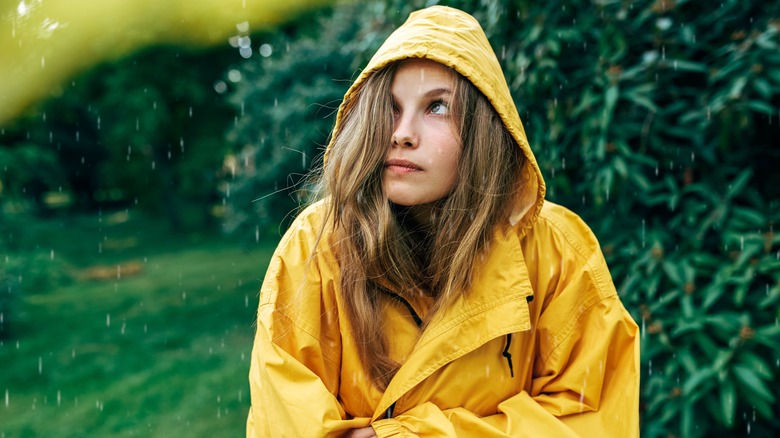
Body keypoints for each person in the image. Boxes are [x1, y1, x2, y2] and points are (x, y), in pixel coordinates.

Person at [246, 5, 640, 437]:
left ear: (485, 131)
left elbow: (591, 418)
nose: (401, 132)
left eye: (436, 107)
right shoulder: (316, 246)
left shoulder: (556, 250)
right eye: (390, 108)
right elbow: (283, 421)